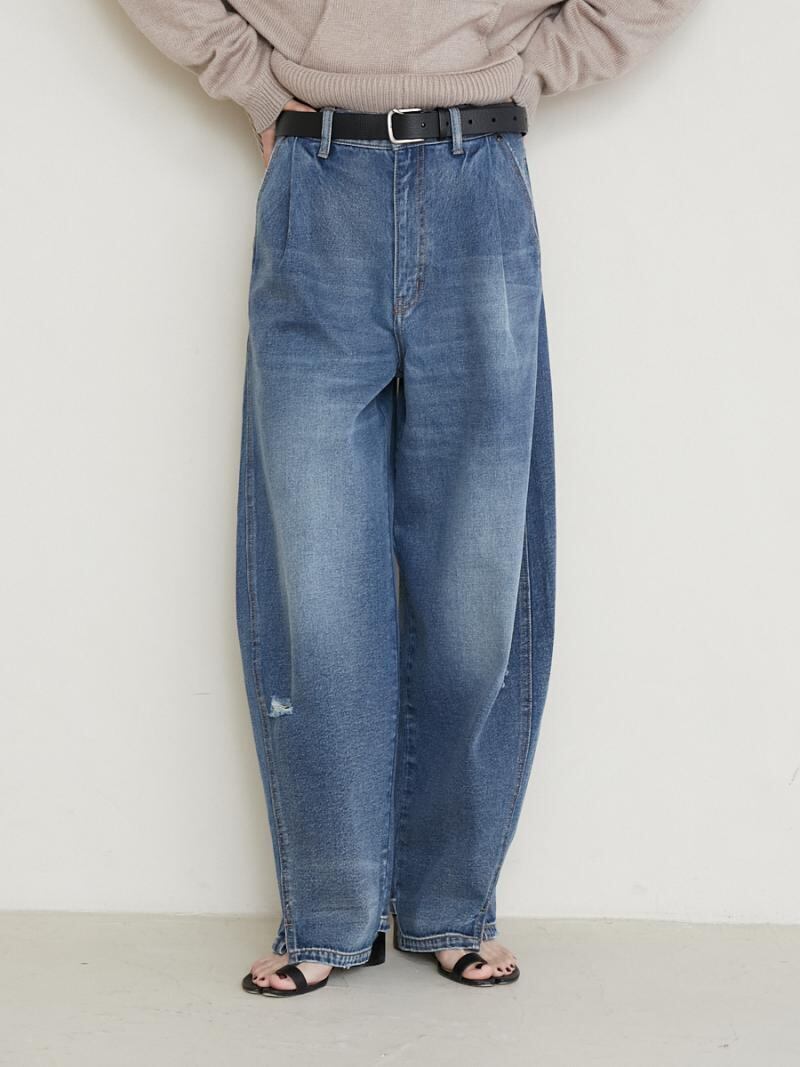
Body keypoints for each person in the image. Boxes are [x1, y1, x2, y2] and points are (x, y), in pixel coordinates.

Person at [117, 0, 702, 998]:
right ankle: (327, 911)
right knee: (316, 577)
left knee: (478, 579)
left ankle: (452, 902)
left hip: (479, 179)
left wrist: (518, 69)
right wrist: (250, 80)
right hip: (316, 175)